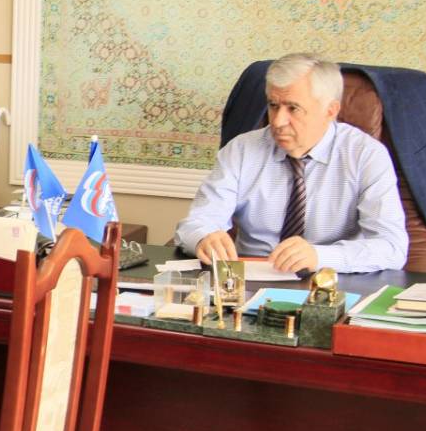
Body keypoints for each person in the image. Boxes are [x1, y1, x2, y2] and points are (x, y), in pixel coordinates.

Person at [174, 53, 408, 273]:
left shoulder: (365, 155)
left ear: (330, 110)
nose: (277, 121)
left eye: (293, 108)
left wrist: (319, 256)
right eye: (273, 105)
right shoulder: (241, 150)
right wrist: (204, 237)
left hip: (330, 281)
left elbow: (392, 247)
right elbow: (196, 223)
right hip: (252, 278)